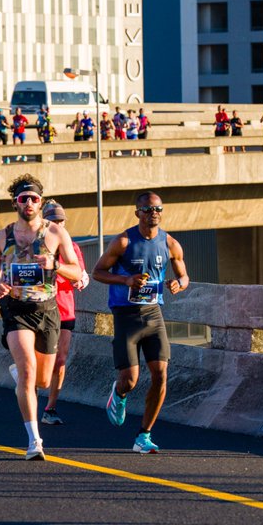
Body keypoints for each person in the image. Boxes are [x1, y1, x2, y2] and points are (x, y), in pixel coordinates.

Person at [0, 176, 82, 461]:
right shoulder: (2, 237)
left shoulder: (55, 234)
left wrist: (56, 264)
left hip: (48, 311)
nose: (28, 203)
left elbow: (77, 272)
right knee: (28, 370)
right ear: (14, 202)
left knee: (41, 381)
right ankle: (34, 440)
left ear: (41, 202)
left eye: (34, 198)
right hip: (16, 310)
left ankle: (20, 377)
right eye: (22, 198)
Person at [92, 191, 189, 454]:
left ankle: (143, 436)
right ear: (137, 213)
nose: (153, 214)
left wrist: (177, 284)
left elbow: (184, 276)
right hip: (126, 314)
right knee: (130, 380)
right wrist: (125, 280)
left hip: (154, 313)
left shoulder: (170, 243)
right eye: (147, 210)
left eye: (157, 209)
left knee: (160, 374)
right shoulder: (123, 241)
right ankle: (119, 394)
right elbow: (97, 272)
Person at [40, 200, 89, 426]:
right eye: (53, 221)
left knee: (60, 360)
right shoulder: (35, 246)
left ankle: (50, 407)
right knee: (40, 360)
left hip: (65, 309)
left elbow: (79, 273)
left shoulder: (73, 247)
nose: (58, 225)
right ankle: (26, 382)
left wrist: (81, 278)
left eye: (61, 221)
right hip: (39, 307)